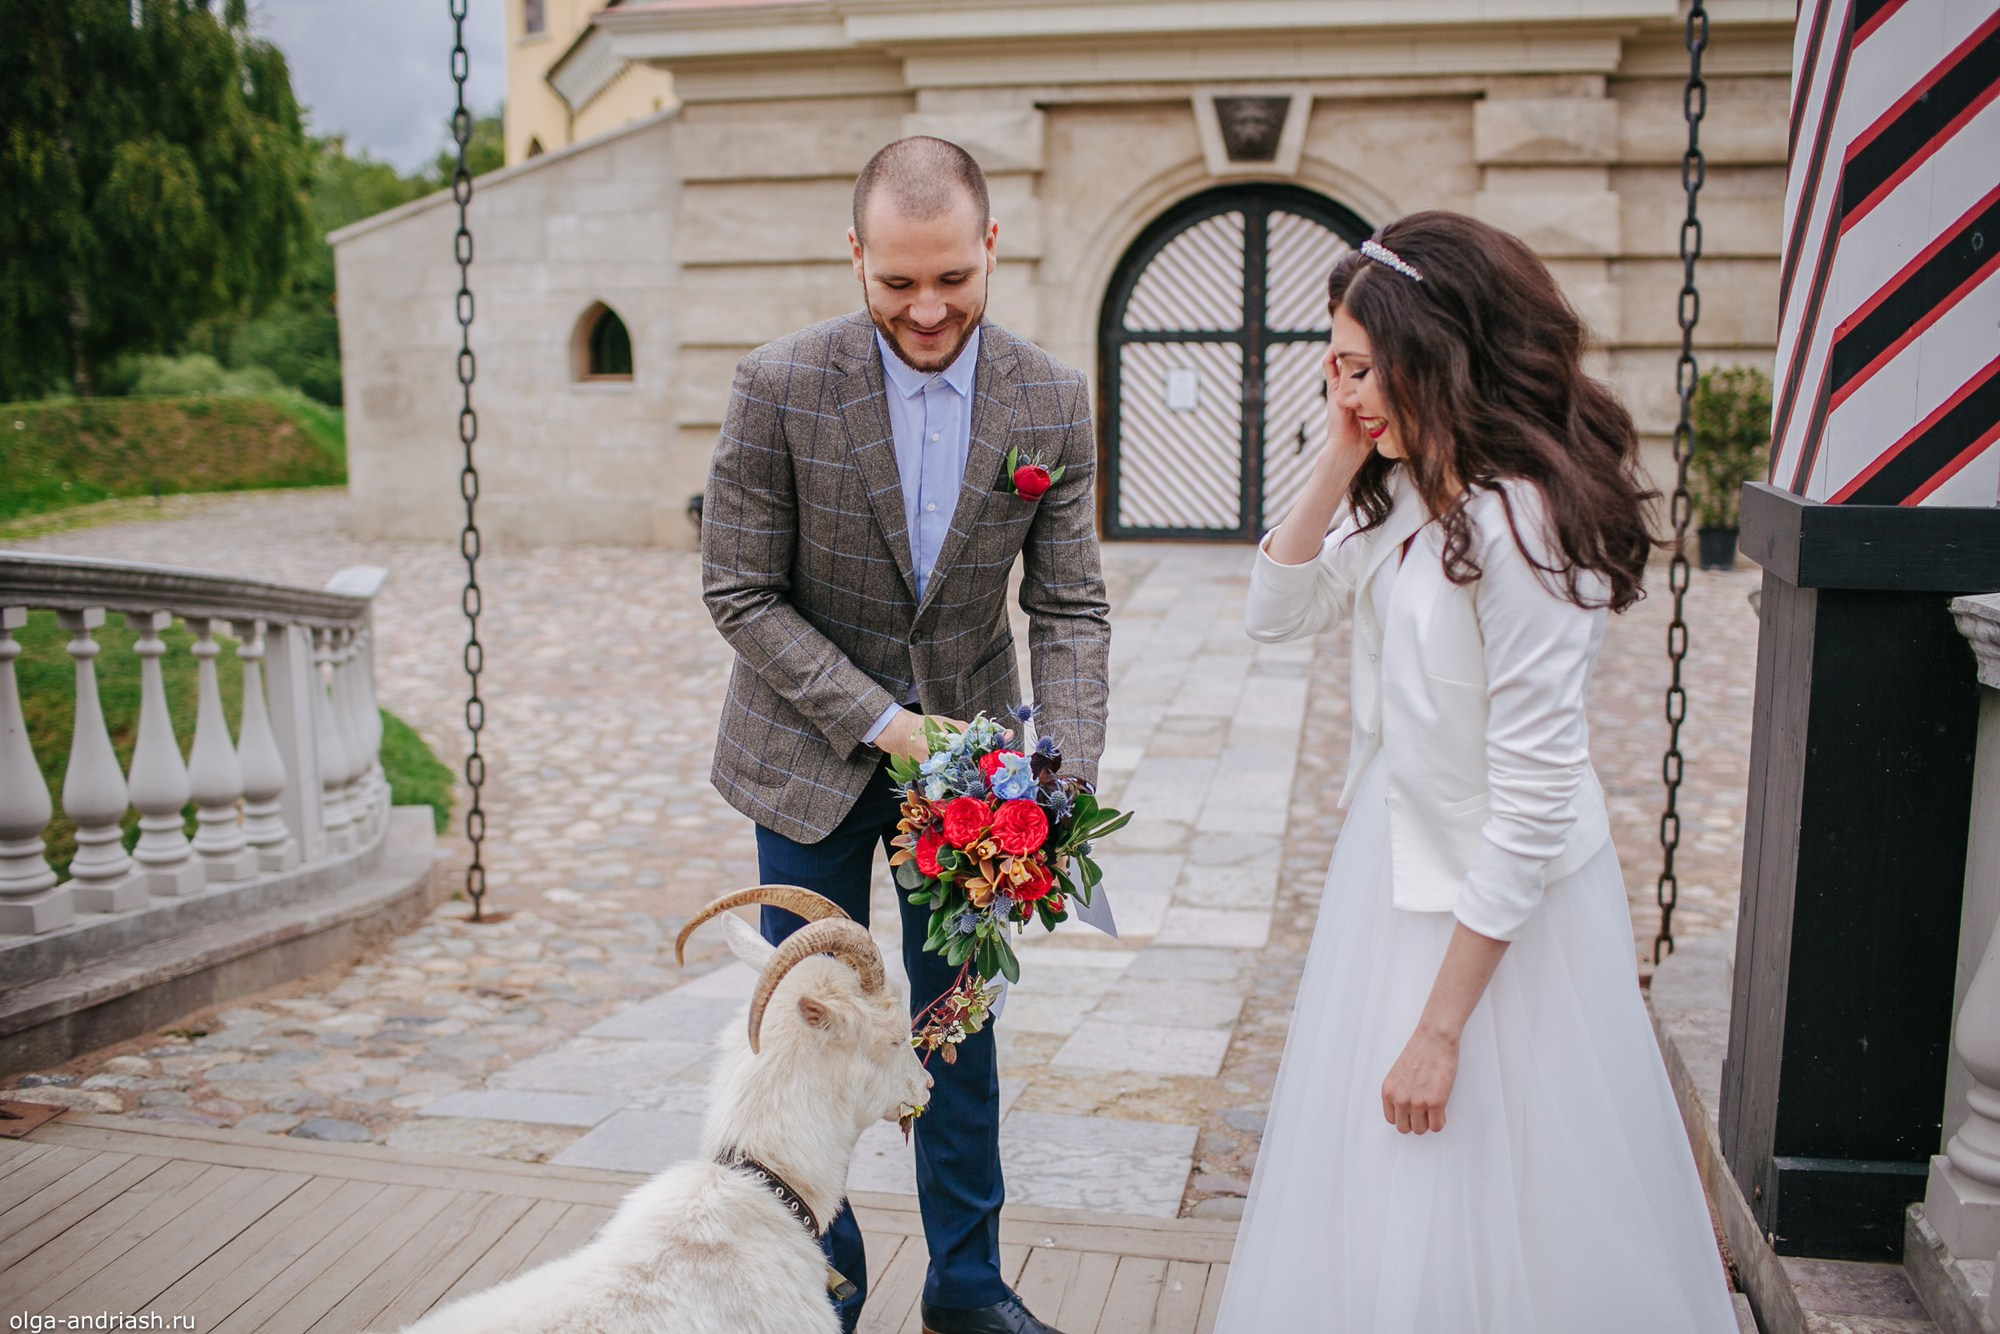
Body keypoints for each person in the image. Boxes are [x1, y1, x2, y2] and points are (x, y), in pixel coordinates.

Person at [1215, 211, 1739, 1332]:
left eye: (1359, 368)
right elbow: (1275, 608)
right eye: (1334, 369)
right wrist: (1338, 447)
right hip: (1391, 874)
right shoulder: (1420, 491)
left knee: (1498, 1185)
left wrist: (1441, 1026)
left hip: (1501, 927)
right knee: (1381, 1188)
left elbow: (1535, 799)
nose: (1344, 389)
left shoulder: (1523, 528)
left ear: (1431, 355)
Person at [699, 135, 1111, 1334]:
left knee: (957, 1030)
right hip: (804, 754)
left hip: (975, 780)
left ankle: (967, 1284)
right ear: (856, 256)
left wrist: (1056, 777)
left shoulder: (1049, 398)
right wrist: (884, 725)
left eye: (950, 281)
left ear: (990, 248)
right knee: (806, 1031)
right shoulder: (775, 385)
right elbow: (737, 591)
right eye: (895, 285)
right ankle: (816, 1274)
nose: (925, 310)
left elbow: (1069, 604)